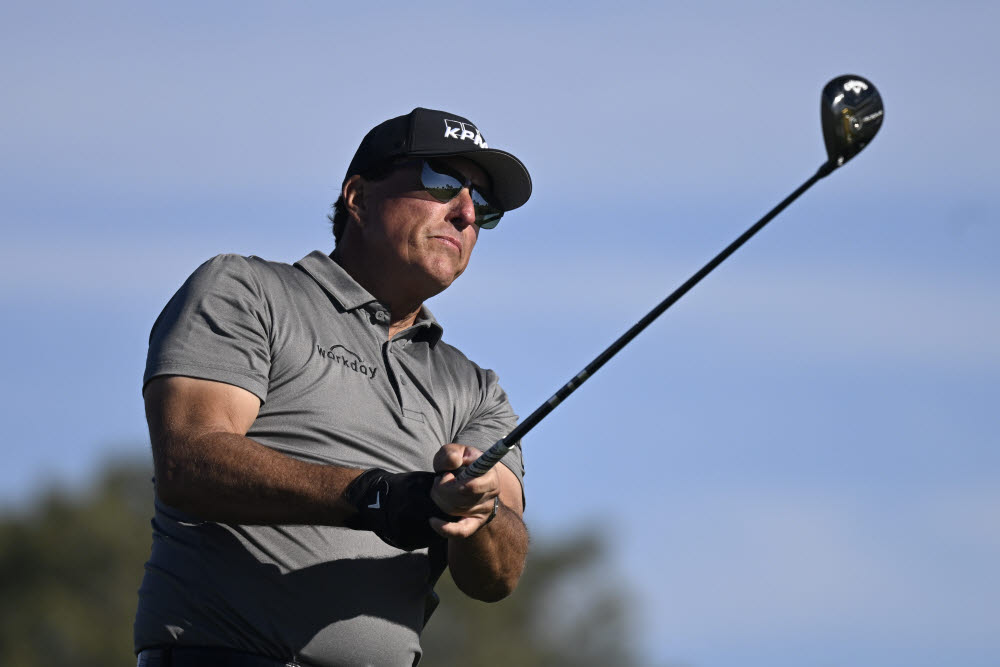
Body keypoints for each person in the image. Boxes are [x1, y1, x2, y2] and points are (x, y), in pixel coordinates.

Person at [134, 108, 532, 667]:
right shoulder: (246, 290)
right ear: (359, 197)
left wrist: (477, 512)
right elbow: (189, 460)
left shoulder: (476, 388)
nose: (466, 212)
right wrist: (379, 497)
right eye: (441, 182)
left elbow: (499, 575)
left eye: (483, 205)